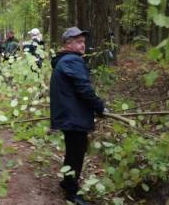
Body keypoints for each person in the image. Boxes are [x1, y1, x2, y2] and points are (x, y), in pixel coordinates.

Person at [50, 27, 107, 205]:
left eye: (84, 41)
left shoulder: (65, 60)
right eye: (79, 42)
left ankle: (67, 182)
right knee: (76, 153)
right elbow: (84, 88)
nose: (83, 45)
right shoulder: (72, 61)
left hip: (70, 114)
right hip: (73, 116)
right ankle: (71, 193)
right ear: (68, 44)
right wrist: (99, 106)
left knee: (74, 151)